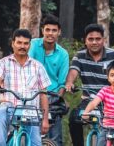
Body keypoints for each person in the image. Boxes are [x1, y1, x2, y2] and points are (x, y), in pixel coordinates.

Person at [65, 24, 114, 146]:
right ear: (85, 41)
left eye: (98, 39)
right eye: (90, 39)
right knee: (74, 118)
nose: (94, 42)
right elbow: (73, 72)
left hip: (111, 100)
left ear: (103, 40)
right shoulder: (80, 55)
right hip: (89, 100)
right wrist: (70, 83)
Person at [0, 29, 51, 146]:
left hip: (31, 111)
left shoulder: (38, 66)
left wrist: (45, 119)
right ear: (13, 44)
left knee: (36, 143)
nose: (22, 46)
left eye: (26, 43)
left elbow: (43, 94)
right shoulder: (3, 63)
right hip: (10, 108)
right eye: (19, 42)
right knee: (1, 113)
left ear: (29, 45)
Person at [28, 15, 69, 146]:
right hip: (32, 93)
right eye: (47, 30)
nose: (50, 33)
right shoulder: (33, 45)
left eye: (54, 30)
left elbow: (62, 83)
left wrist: (58, 99)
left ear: (59, 32)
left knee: (55, 137)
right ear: (42, 30)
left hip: (52, 95)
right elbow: (28, 68)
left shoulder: (63, 54)